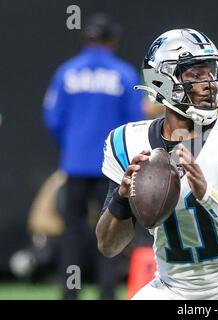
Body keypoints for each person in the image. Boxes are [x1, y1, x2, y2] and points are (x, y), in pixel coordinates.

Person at [96, 28, 218, 300]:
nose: (210, 83)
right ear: (161, 81)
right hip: (170, 288)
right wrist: (122, 200)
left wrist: (209, 196)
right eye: (196, 75)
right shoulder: (126, 141)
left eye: (212, 72)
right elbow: (108, 245)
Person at [43, 13, 144, 299]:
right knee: (111, 229)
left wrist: (72, 145)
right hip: (110, 169)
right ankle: (107, 292)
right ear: (113, 41)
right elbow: (134, 121)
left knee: (72, 231)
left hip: (75, 165)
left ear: (86, 38)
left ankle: (69, 292)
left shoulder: (67, 72)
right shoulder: (124, 74)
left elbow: (52, 118)